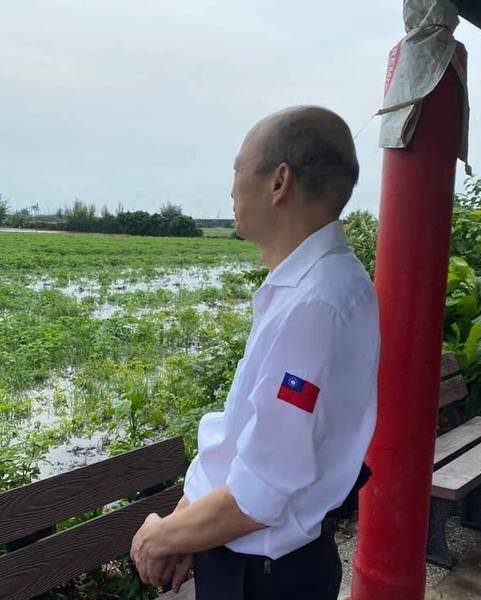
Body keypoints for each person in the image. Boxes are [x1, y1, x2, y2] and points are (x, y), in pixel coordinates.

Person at [131, 106, 380, 599]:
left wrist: (160, 536)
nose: (231, 188)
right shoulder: (304, 284)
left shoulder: (317, 303)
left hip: (263, 576)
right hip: (247, 554)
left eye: (238, 169)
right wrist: (190, 520)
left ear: (279, 181)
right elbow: (247, 434)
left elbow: (261, 491)